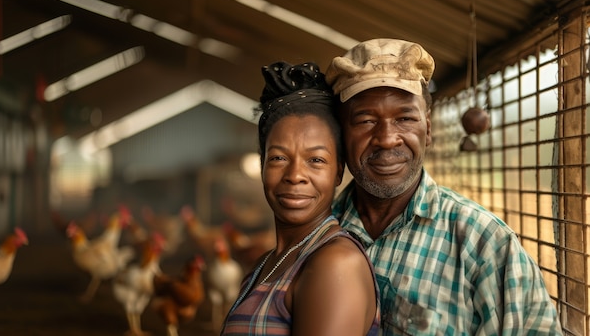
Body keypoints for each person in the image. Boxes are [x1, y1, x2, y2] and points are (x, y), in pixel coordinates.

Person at [324, 38, 563, 335]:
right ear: (339, 134)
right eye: (365, 120)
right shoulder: (318, 234)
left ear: (428, 129)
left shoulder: (486, 246)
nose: (387, 138)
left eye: (405, 118)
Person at [220, 61, 380, 336]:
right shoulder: (268, 262)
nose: (295, 175)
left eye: (315, 160)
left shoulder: (335, 265)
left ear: (338, 171)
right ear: (262, 166)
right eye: (279, 158)